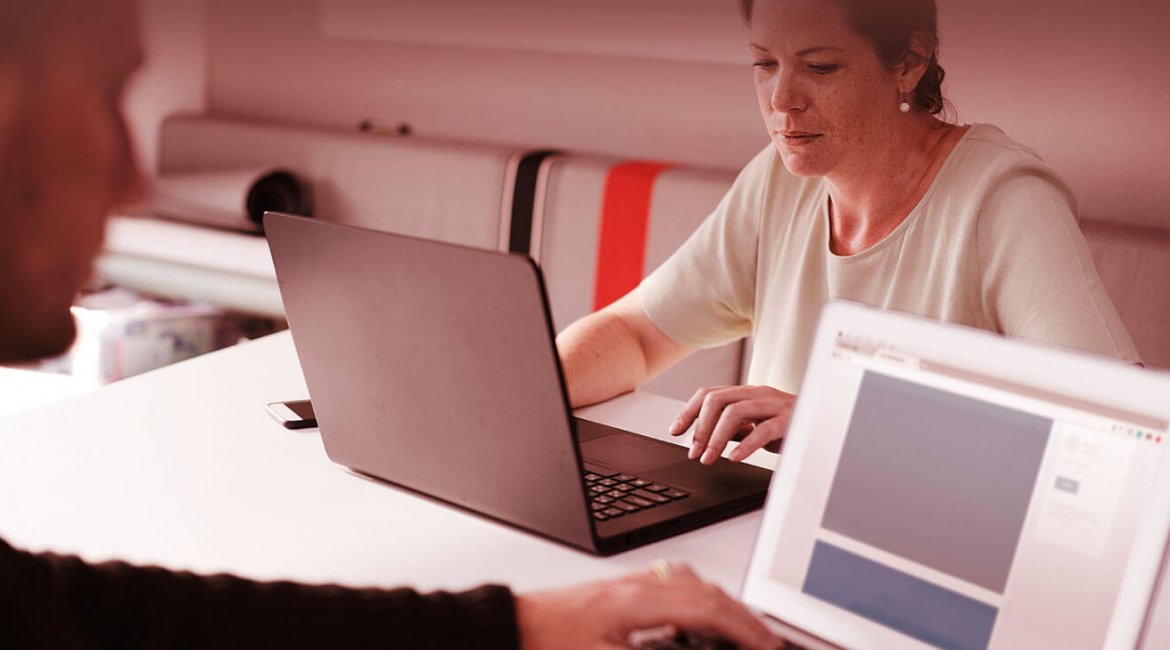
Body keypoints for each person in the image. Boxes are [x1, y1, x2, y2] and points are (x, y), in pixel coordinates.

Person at [0, 2, 782, 648]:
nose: (135, 180)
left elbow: (88, 616)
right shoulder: (773, 188)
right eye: (109, 96)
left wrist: (522, 623)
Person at [557, 0, 1138, 466]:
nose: (781, 100)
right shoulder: (777, 182)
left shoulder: (1004, 199)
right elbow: (635, 334)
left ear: (909, 61)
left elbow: (1117, 434)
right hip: (766, 528)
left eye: (820, 67)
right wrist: (518, 398)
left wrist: (837, 420)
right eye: (764, 64)